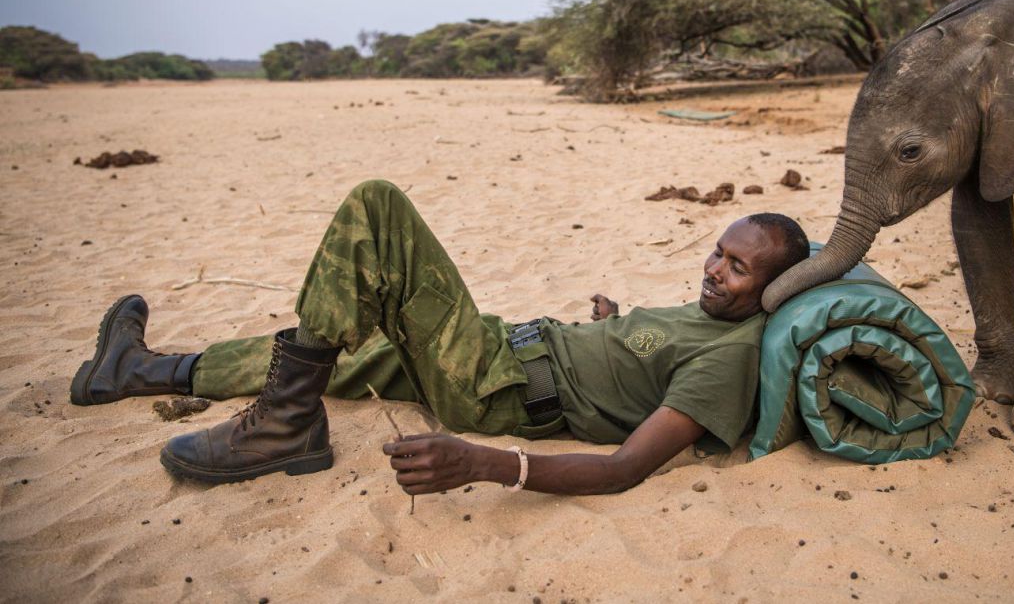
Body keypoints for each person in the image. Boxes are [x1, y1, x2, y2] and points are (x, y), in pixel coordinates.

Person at [70, 179, 809, 496]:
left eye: (740, 268)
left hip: (496, 387)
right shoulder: (712, 315)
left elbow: (623, 468)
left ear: (773, 288)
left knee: (378, 207)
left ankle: (287, 425)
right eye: (719, 250)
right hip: (503, 348)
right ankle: (136, 370)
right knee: (334, 349)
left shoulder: (730, 356)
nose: (716, 271)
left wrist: (483, 462)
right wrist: (613, 329)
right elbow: (642, 364)